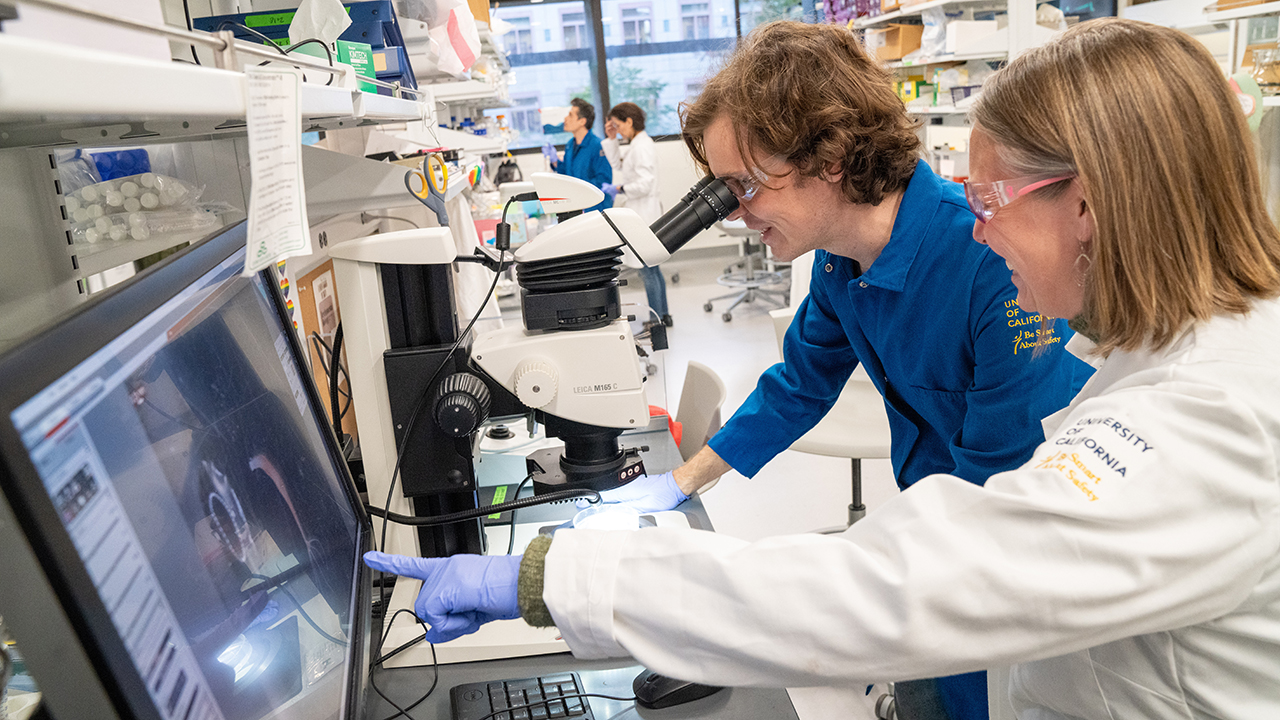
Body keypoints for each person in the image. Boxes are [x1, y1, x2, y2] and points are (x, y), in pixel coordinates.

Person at [367, 17, 1280, 719]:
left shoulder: (1208, 423)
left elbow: (942, 570)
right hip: (999, 592)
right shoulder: (1154, 351)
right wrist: (677, 483)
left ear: (1088, 205)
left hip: (986, 587)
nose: (984, 223)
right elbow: (806, 385)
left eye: (993, 196)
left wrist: (551, 578)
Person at [547, 21, 1091, 719]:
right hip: (940, 524)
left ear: (830, 156)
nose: (734, 216)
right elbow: (800, 383)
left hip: (1022, 550)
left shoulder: (990, 262)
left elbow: (998, 497)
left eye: (742, 186)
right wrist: (679, 481)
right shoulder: (841, 261)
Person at [602, 102, 672, 327]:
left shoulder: (642, 146)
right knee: (653, 268)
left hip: (645, 212)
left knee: (648, 270)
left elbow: (645, 183)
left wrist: (621, 189)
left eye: (618, 125)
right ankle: (664, 315)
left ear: (629, 122)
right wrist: (612, 139)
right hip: (643, 210)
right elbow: (619, 164)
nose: (618, 129)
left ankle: (656, 319)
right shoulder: (637, 144)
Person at [542, 98, 612, 213]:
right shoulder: (570, 145)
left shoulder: (598, 146)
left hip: (595, 209)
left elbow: (603, 181)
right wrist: (555, 161)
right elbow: (568, 175)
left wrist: (580, 195)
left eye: (570, 115)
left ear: (582, 121)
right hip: (576, 207)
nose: (565, 118)